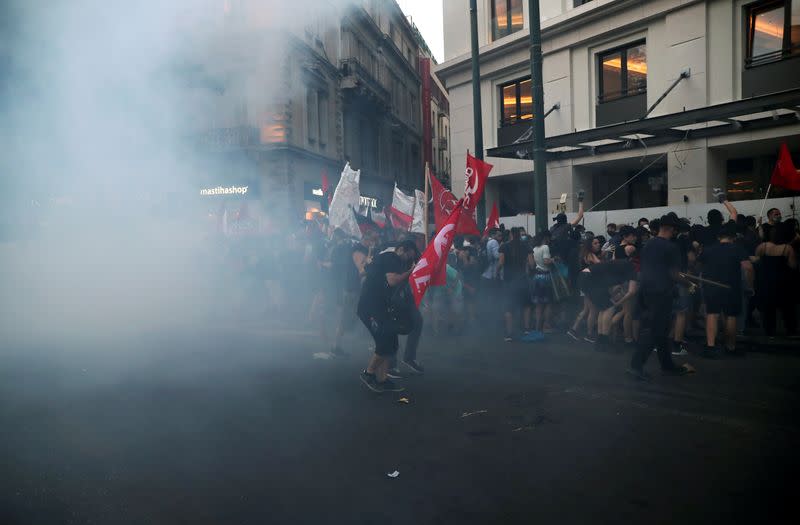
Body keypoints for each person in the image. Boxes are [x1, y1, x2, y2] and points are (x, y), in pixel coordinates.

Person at [628, 214, 693, 380]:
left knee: (661, 330)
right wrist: (689, 284)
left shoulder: (648, 244)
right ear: (672, 229)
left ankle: (667, 365)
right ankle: (636, 366)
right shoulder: (671, 248)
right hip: (662, 293)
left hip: (647, 292)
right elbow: (674, 274)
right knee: (656, 331)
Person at [358, 240, 419, 393]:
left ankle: (383, 379)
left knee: (390, 341)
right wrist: (411, 271)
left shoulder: (384, 256)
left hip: (378, 306)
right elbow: (392, 281)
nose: (408, 261)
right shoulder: (392, 258)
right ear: (402, 250)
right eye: (408, 257)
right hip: (370, 307)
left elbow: (363, 271)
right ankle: (369, 374)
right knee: (385, 342)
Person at [697, 221, 754, 357]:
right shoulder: (737, 248)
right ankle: (730, 347)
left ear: (718, 237)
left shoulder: (708, 249)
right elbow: (748, 267)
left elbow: (698, 266)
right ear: (733, 237)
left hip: (711, 285)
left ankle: (711, 346)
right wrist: (750, 286)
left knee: (712, 314)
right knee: (730, 316)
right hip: (731, 286)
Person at [582, 259, 638, 351]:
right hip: (590, 279)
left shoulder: (616, 265)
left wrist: (613, 298)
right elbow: (632, 291)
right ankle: (604, 341)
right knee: (609, 307)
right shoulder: (631, 270)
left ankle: (601, 340)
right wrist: (617, 303)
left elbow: (614, 289)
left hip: (584, 277)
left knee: (603, 307)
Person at [755, 221, 798, 336]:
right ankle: (791, 330)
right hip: (784, 282)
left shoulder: (762, 247)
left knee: (769, 309)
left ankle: (769, 332)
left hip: (767, 281)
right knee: (787, 308)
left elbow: (757, 262)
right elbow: (793, 266)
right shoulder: (787, 248)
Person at [498, 227, 532, 342]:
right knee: (526, 305)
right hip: (523, 279)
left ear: (511, 234)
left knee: (509, 307)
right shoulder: (526, 245)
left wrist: (496, 273)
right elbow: (532, 263)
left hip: (509, 281)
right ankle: (527, 329)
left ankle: (509, 334)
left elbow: (501, 263)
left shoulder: (504, 246)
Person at [567, 237, 602, 342]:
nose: (598, 244)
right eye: (595, 243)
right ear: (590, 245)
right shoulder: (590, 255)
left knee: (586, 309)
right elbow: (601, 265)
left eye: (598, 243)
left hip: (584, 283)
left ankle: (573, 329)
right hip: (589, 284)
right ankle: (589, 334)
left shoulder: (584, 254)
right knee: (593, 310)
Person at [528, 231, 554, 339]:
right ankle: (546, 325)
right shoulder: (545, 247)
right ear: (545, 238)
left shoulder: (534, 249)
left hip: (536, 277)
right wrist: (554, 259)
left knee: (538, 303)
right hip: (545, 276)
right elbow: (546, 261)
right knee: (548, 302)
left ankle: (537, 326)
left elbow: (533, 265)